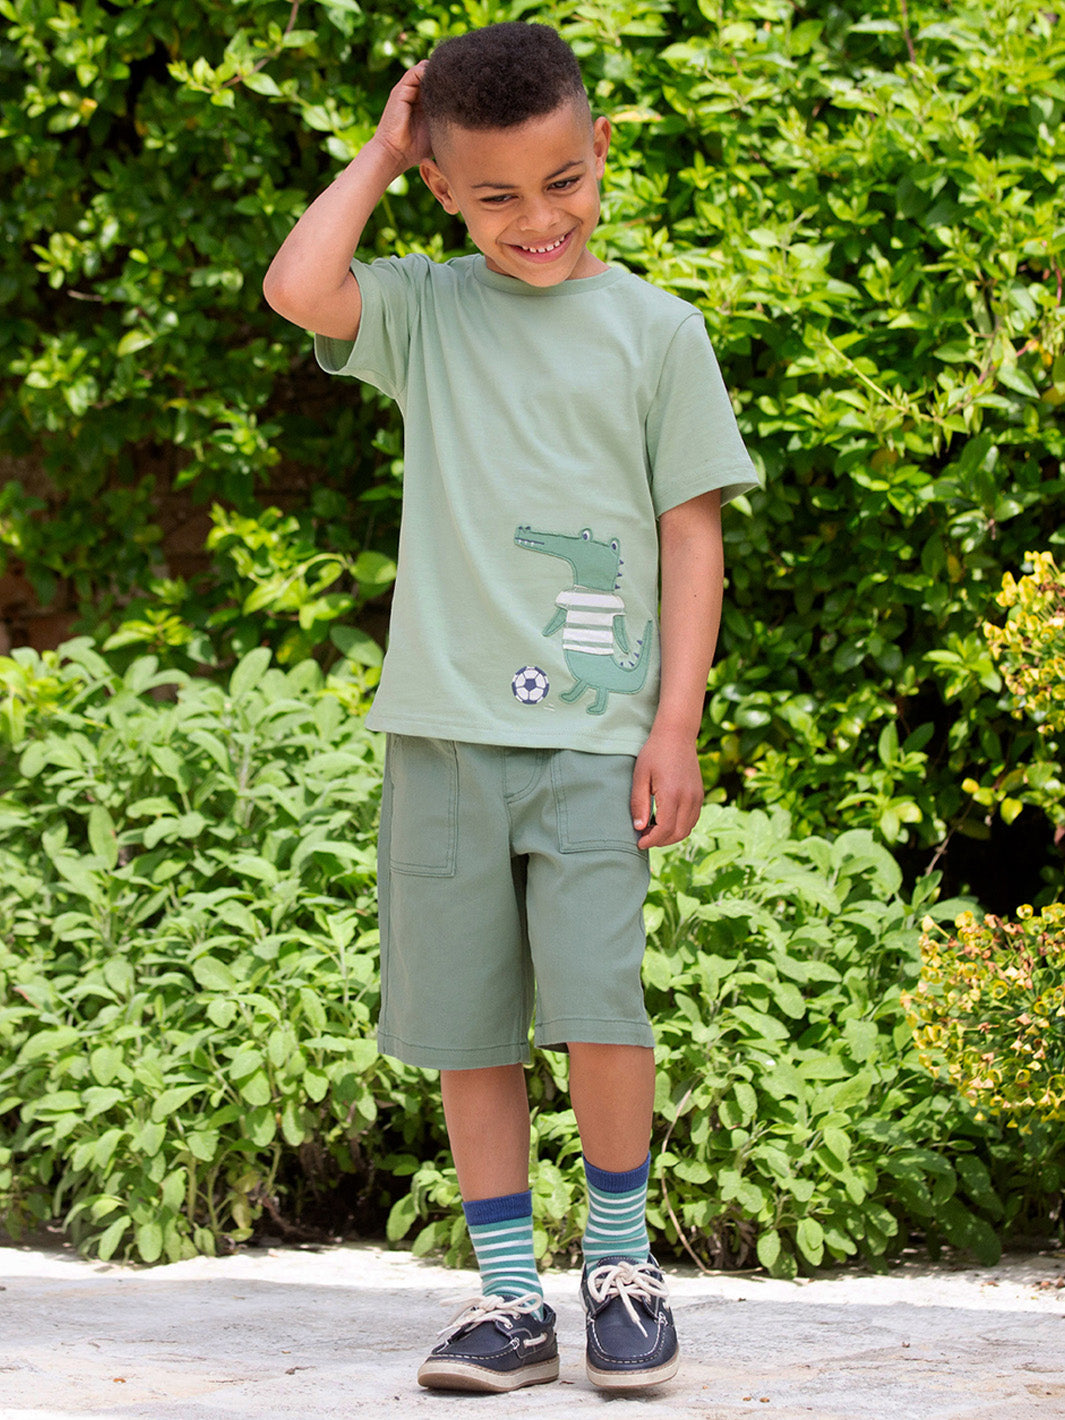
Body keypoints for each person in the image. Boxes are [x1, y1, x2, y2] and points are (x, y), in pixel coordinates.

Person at [263, 20, 759, 1395]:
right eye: (494, 196)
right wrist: (381, 148)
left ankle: (618, 1269)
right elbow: (299, 285)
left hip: (597, 737)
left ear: (600, 150)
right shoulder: (426, 312)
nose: (537, 219)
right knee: (467, 1026)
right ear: (441, 188)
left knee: (602, 1006)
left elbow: (692, 536)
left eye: (562, 181)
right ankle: (505, 1301)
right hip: (442, 736)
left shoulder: (658, 333)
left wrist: (674, 725)